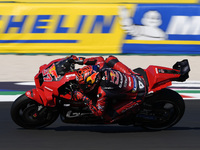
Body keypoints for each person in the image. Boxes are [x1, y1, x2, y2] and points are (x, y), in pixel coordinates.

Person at [57, 55, 147, 123]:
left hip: (138, 94)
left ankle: (131, 115)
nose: (82, 87)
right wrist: (78, 60)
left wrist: (83, 97)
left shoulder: (102, 92)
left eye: (84, 85)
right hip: (134, 76)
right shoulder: (101, 67)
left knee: (107, 117)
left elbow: (98, 112)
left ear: (93, 82)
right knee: (110, 59)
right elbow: (98, 59)